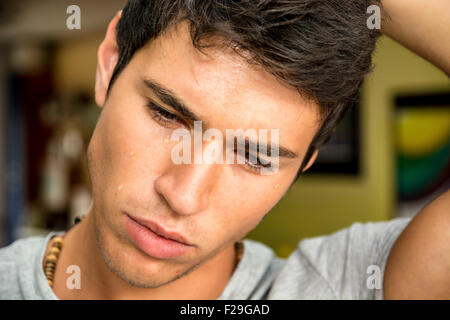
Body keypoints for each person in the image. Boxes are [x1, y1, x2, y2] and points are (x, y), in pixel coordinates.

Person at [0, 0, 449, 300]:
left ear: (304, 163)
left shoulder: (342, 286)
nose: (183, 195)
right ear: (109, 64)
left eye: (256, 157)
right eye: (167, 115)